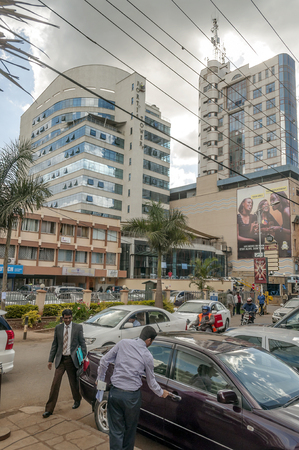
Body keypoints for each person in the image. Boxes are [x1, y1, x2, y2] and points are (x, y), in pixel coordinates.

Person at [96, 326, 169, 450]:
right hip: (132, 398)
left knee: (115, 431)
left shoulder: (123, 343)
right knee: (129, 431)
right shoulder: (147, 356)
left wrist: (100, 380)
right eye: (151, 342)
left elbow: (104, 360)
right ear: (148, 340)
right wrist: (161, 393)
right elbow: (151, 382)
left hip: (115, 394)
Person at [42, 309, 87, 418]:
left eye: (69, 318)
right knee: (55, 383)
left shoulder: (77, 328)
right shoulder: (58, 328)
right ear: (62, 318)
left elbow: (82, 344)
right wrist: (50, 360)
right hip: (61, 360)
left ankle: (77, 399)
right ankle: (49, 409)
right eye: (65, 318)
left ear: (72, 317)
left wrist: (83, 358)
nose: (67, 320)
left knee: (73, 383)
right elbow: (55, 345)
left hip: (72, 361)